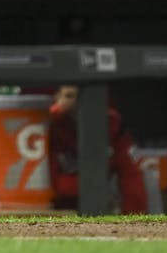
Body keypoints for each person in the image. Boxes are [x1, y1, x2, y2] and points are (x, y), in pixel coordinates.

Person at [48, 85, 152, 215]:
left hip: (98, 205)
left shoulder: (111, 124)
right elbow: (52, 184)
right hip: (54, 208)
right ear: (57, 98)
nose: (78, 103)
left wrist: (134, 217)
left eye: (83, 97)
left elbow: (131, 176)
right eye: (69, 96)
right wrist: (96, 189)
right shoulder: (47, 123)